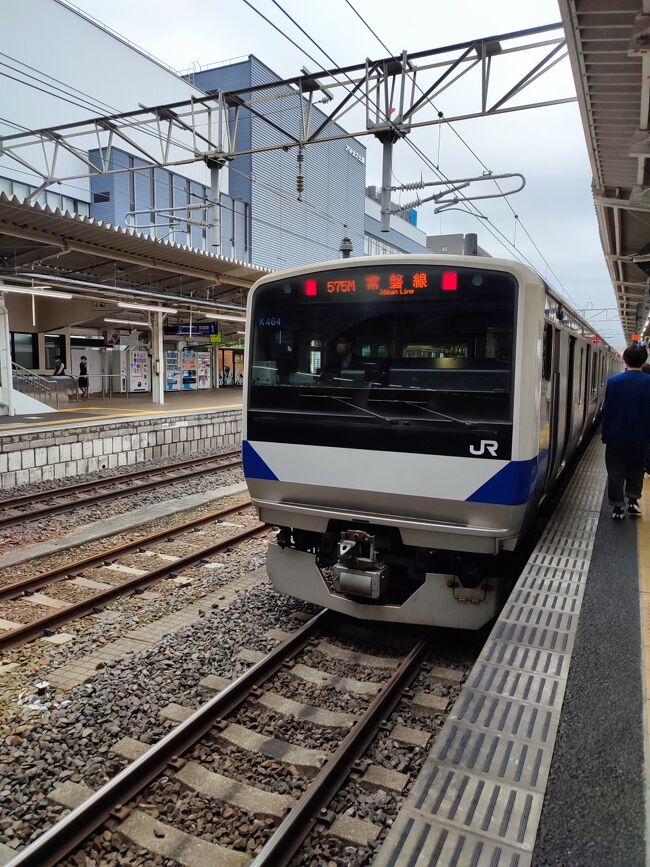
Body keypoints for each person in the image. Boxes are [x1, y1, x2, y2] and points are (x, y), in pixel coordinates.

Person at [601, 344, 650, 520]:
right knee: (636, 470)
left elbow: (607, 410)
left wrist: (605, 434)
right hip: (641, 438)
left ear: (624, 360)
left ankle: (617, 508)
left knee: (615, 473)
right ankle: (633, 502)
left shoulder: (613, 381)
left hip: (616, 437)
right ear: (644, 361)